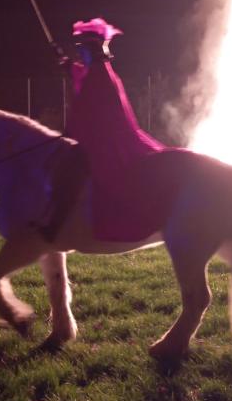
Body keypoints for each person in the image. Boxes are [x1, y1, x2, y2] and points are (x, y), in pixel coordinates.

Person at [60, 18, 182, 242]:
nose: (79, 54)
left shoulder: (99, 76)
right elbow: (82, 77)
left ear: (92, 51)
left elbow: (84, 108)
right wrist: (68, 66)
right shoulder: (99, 70)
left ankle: (61, 222)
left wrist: (69, 133)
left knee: (71, 174)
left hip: (108, 144)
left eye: (82, 50)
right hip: (106, 139)